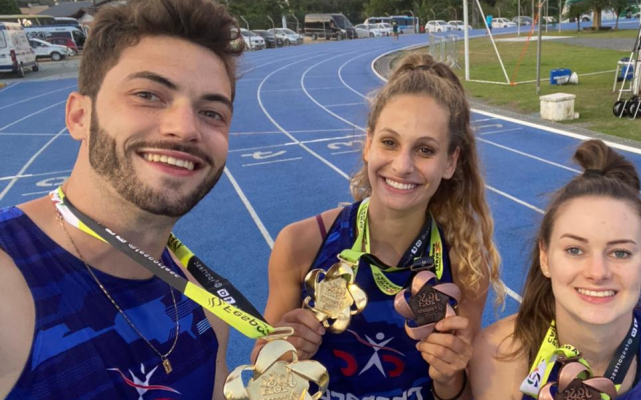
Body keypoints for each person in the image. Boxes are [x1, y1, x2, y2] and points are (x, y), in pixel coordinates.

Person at [0, 0, 243, 398]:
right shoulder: (7, 282)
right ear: (80, 117)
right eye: (148, 94)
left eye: (213, 113)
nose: (185, 128)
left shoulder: (208, 302)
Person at [255, 53, 502, 400]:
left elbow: (462, 394)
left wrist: (450, 378)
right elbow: (264, 377)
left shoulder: (465, 261)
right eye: (389, 142)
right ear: (368, 144)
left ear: (450, 162)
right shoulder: (301, 244)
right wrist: (282, 351)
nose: (402, 165)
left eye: (425, 150)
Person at [469, 139, 641, 400]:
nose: (597, 272)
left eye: (620, 253)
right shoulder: (497, 357)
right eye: (575, 250)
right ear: (545, 258)